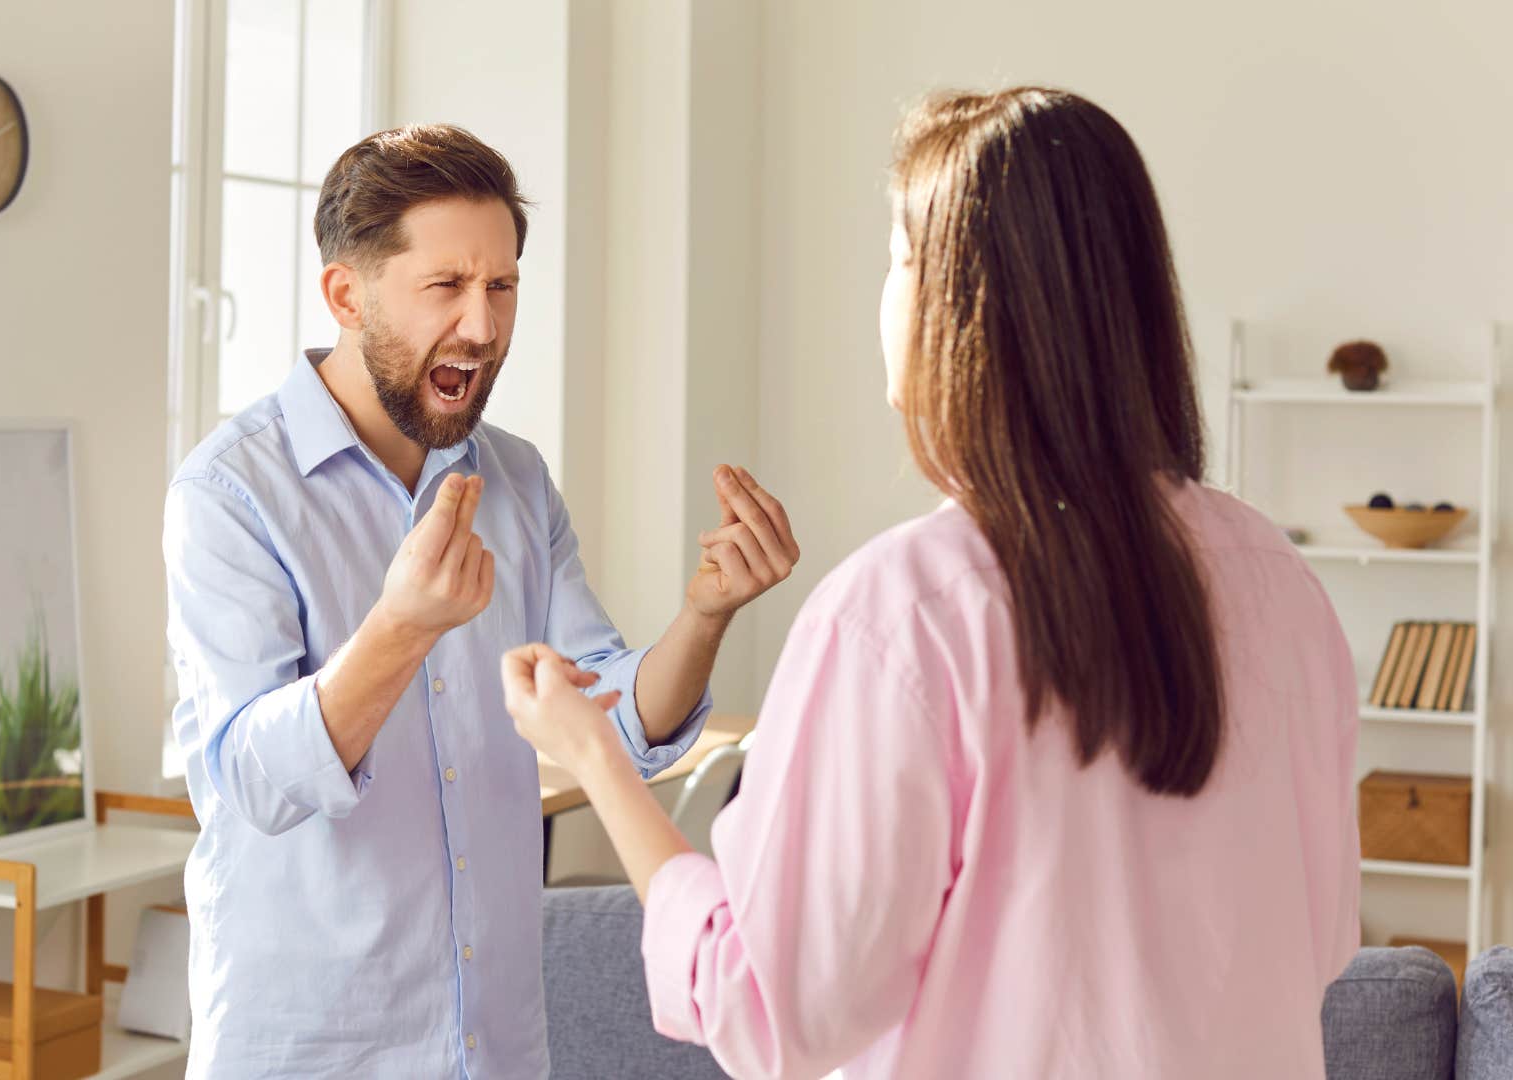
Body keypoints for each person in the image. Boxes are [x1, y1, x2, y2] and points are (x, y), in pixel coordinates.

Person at [507, 87, 1360, 1079]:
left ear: (962, 302)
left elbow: (769, 1014)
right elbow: (1323, 935)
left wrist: (592, 760)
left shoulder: (905, 613)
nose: (887, 292)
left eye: (900, 257)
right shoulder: (1281, 583)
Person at [163, 123, 800, 1077]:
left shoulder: (516, 480)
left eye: (501, 286)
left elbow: (610, 720)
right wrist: (401, 628)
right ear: (346, 293)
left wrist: (705, 615)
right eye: (447, 287)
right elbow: (252, 782)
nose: (484, 325)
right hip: (315, 1049)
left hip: (495, 1044)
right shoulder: (230, 495)